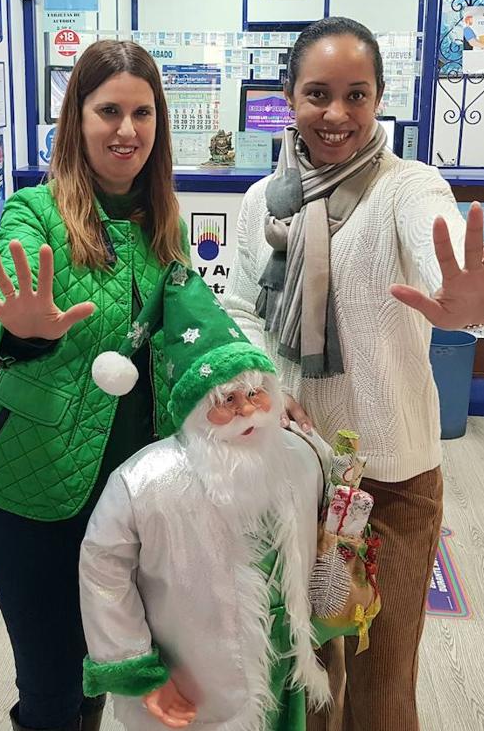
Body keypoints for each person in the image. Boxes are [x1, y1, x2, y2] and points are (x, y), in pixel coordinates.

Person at [224, 16, 484, 731]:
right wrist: (261, 387)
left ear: (380, 99)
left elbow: (439, 242)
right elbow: (241, 309)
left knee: (383, 685)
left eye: (356, 95)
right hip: (288, 472)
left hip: (389, 485)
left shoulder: (407, 188)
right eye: (318, 94)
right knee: (301, 675)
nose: (337, 115)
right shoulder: (261, 204)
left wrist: (465, 302)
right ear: (288, 96)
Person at [0, 39, 190, 731]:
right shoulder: (37, 209)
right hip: (34, 489)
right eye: (108, 110)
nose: (127, 130)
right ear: (76, 118)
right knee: (52, 689)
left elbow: (187, 326)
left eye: (142, 113)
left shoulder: (160, 224)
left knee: (97, 669)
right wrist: (25, 330)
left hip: (130, 492)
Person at [80, 263, 330, 731]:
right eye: (227, 401)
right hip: (194, 678)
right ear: (195, 410)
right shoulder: (144, 480)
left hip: (285, 664)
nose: (248, 411)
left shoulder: (299, 457)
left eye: (257, 393)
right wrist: (137, 669)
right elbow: (103, 569)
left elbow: (319, 534)